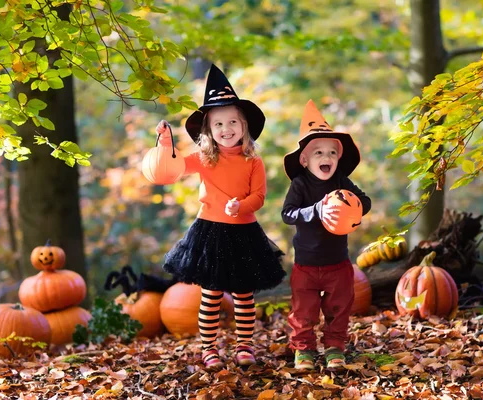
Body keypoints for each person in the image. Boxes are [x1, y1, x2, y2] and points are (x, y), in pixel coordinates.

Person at [156, 64, 286, 370]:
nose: (226, 129)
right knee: (211, 294)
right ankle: (209, 348)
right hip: (210, 232)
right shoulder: (203, 159)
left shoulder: (253, 160)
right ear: (209, 131)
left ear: (244, 126)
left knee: (243, 294)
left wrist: (240, 206)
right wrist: (164, 143)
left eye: (233, 122)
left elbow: (259, 197)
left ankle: (244, 346)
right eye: (219, 125)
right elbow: (172, 169)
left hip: (243, 231)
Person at [281, 100, 372, 371]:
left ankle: (335, 347)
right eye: (318, 152)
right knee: (303, 311)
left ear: (338, 159)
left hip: (338, 263)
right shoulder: (299, 185)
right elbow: (288, 214)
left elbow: (364, 201)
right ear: (305, 160)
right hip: (306, 264)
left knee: (339, 308)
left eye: (332, 152)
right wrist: (316, 210)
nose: (326, 157)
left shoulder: (341, 182)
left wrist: (353, 206)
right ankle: (304, 349)